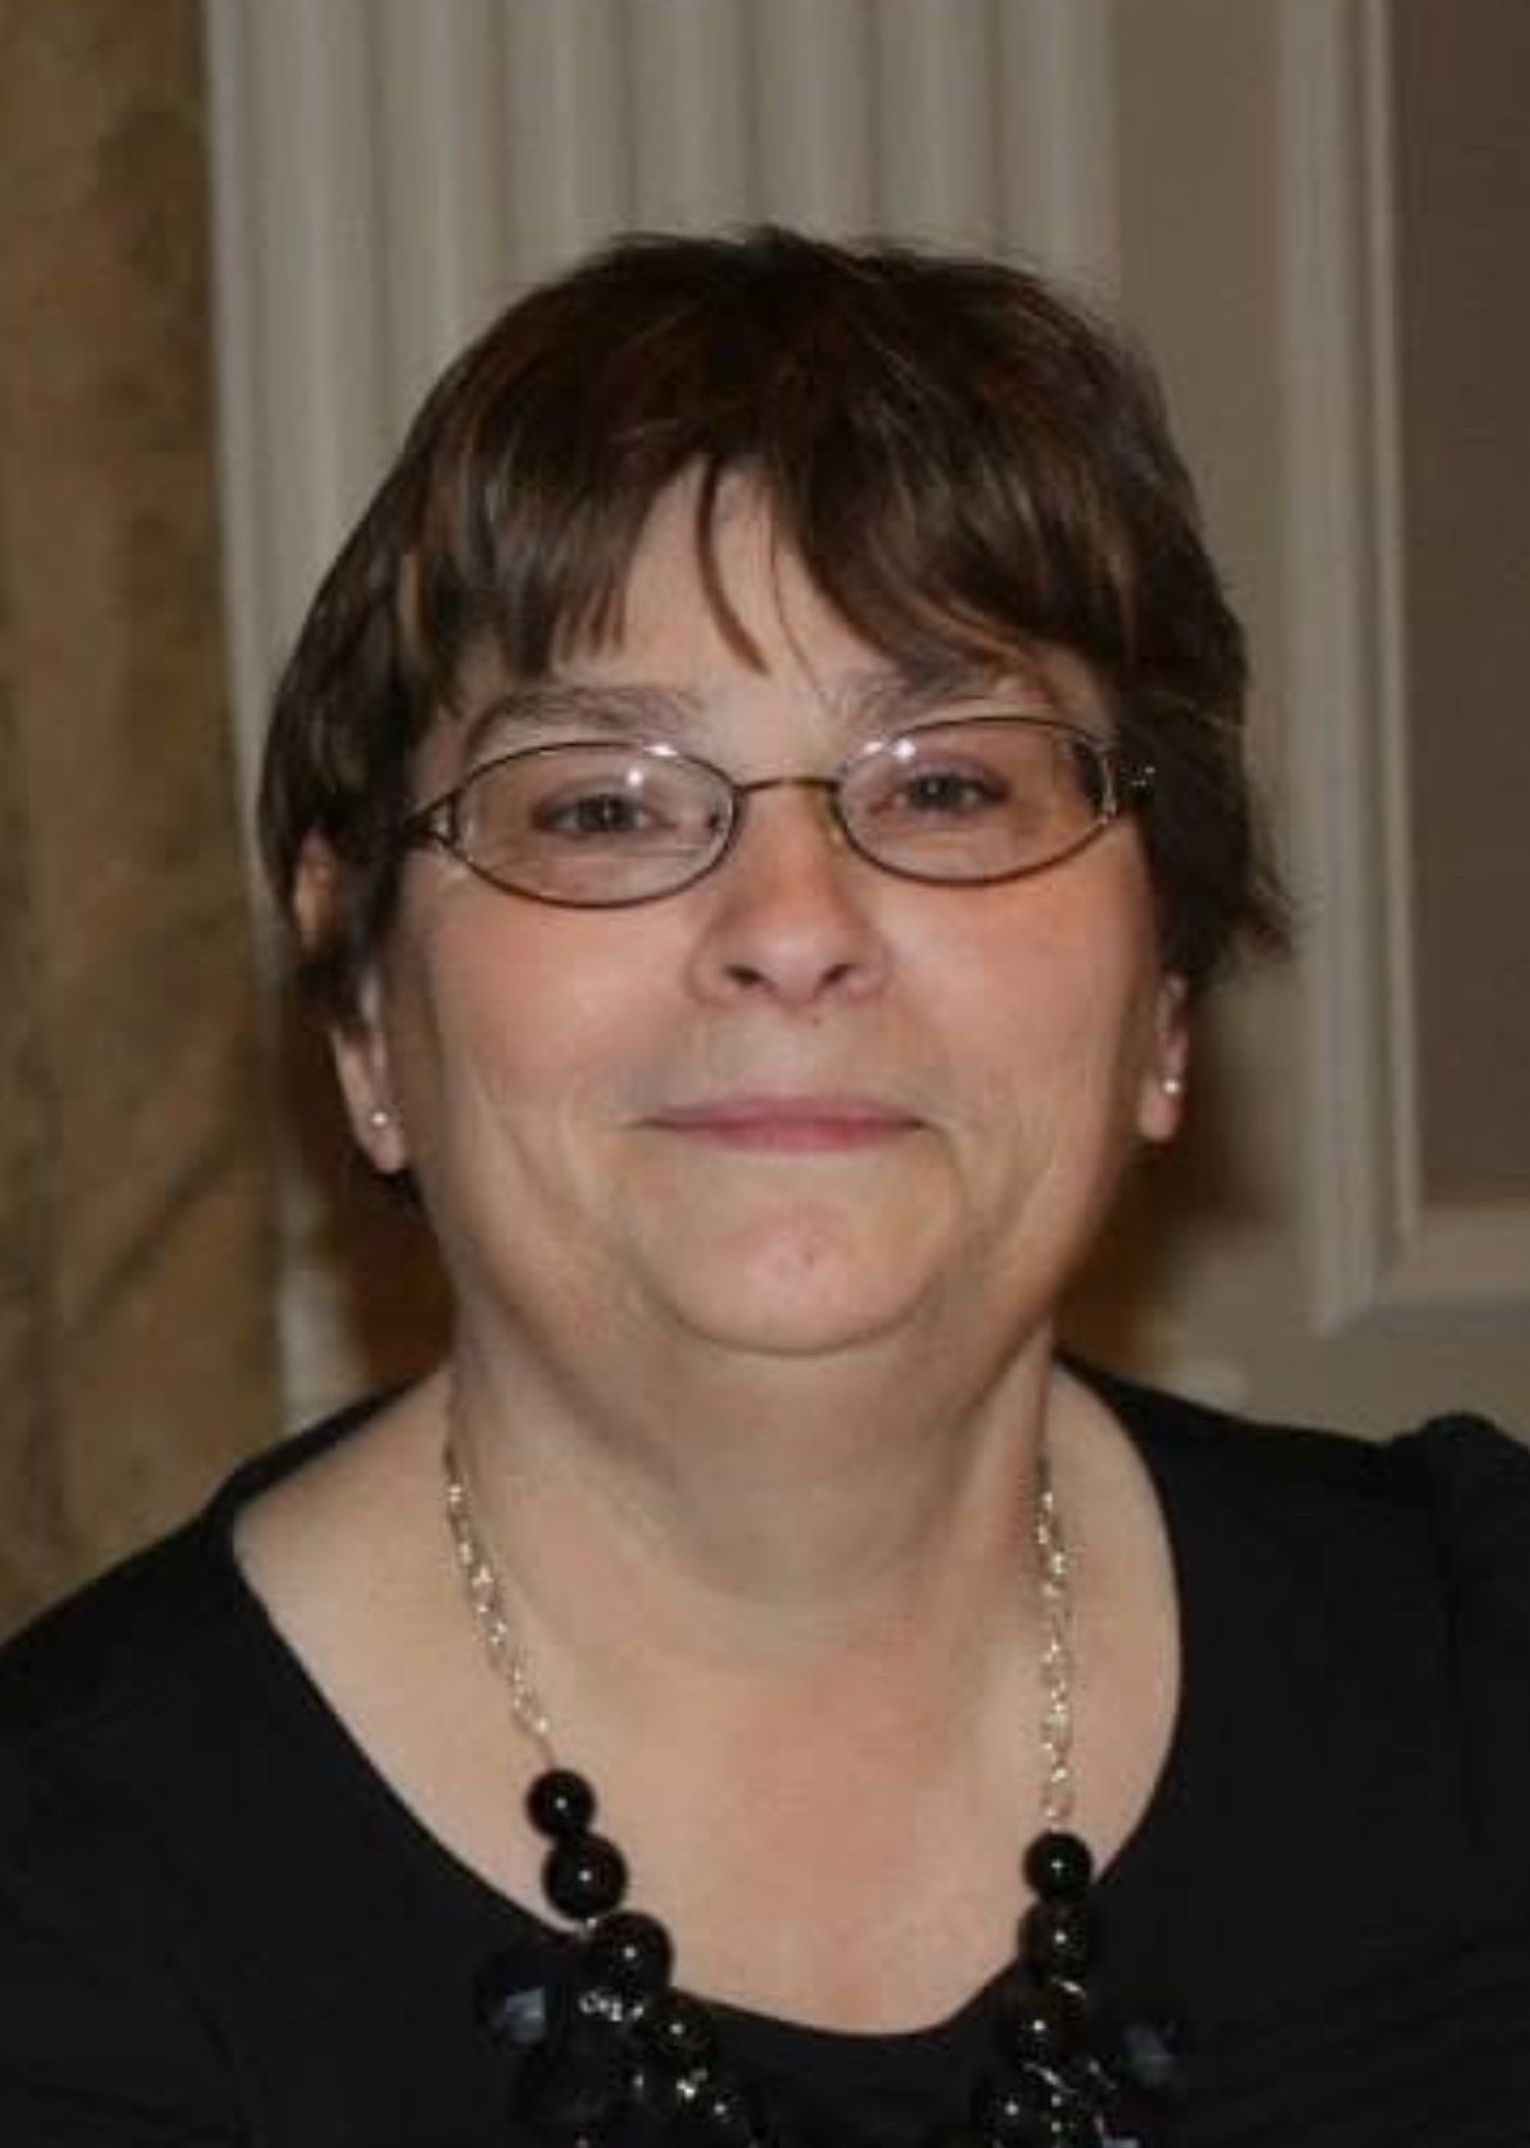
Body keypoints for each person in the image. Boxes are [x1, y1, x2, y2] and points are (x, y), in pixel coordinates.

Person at [1, 227, 1527, 2148]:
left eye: (946, 784)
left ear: (1164, 992)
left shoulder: (1477, 1676)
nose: (792, 927)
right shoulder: (65, 1917)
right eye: (603, 804)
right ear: (366, 1003)